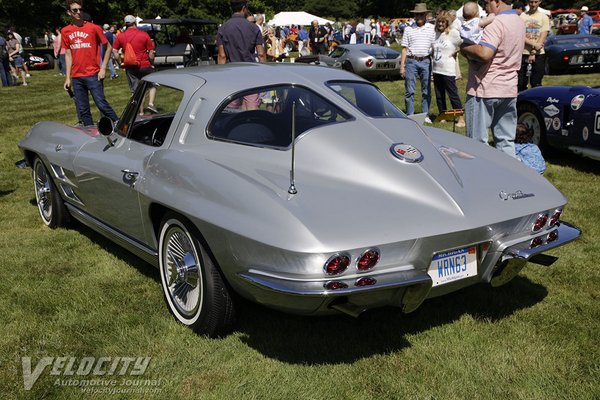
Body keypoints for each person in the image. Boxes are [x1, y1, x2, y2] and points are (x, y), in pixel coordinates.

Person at [461, 0, 525, 158]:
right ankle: (511, 179)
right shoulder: (519, 21)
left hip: (484, 89)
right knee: (506, 141)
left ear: (497, 2)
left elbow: (485, 53)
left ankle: (480, 179)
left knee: (476, 145)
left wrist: (463, 48)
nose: (484, 7)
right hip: (509, 88)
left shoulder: (496, 23)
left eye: (486, 2)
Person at [61, 0, 119, 126]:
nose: (78, 12)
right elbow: (68, 54)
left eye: (80, 9)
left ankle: (120, 125)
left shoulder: (94, 28)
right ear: (69, 12)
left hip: (93, 73)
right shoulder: (65, 31)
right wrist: (67, 78)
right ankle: (89, 132)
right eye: (75, 10)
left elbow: (108, 47)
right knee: (83, 110)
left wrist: (103, 68)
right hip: (77, 76)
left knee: (101, 104)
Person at [217, 0, 266, 110]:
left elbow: (222, 56)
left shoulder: (223, 28)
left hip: (231, 71)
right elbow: (261, 54)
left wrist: (220, 77)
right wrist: (264, 71)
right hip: (250, 71)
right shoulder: (253, 28)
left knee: (231, 106)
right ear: (244, 8)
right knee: (252, 105)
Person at [112, 15, 157, 112]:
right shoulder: (144, 34)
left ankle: (140, 112)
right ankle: (151, 104)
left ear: (125, 24)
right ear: (135, 22)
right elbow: (151, 52)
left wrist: (120, 63)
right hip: (144, 64)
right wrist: (152, 63)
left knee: (136, 91)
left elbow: (114, 50)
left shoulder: (121, 36)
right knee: (152, 85)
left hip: (130, 66)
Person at [400, 3, 436, 121]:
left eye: (421, 14)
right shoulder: (408, 29)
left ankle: (425, 115)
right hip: (411, 61)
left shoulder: (432, 29)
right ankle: (410, 115)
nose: (419, 16)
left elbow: (435, 46)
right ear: (414, 15)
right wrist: (402, 67)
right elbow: (404, 49)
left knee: (426, 90)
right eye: (417, 14)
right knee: (409, 91)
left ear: (426, 15)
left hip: (426, 61)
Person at [432, 13, 465, 127]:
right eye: (439, 22)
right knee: (439, 95)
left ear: (447, 23)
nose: (440, 24)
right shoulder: (435, 33)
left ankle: (461, 119)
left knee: (452, 95)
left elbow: (463, 43)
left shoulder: (453, 33)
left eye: (443, 22)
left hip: (448, 70)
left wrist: (456, 51)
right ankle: (443, 116)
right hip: (436, 69)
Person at [518, 0, 550, 92]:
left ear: (539, 2)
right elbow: (520, 35)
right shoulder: (522, 16)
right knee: (521, 83)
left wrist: (534, 51)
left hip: (539, 53)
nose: (533, 4)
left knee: (536, 82)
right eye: (531, 2)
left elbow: (543, 35)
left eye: (536, 2)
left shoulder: (544, 17)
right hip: (523, 53)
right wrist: (533, 45)